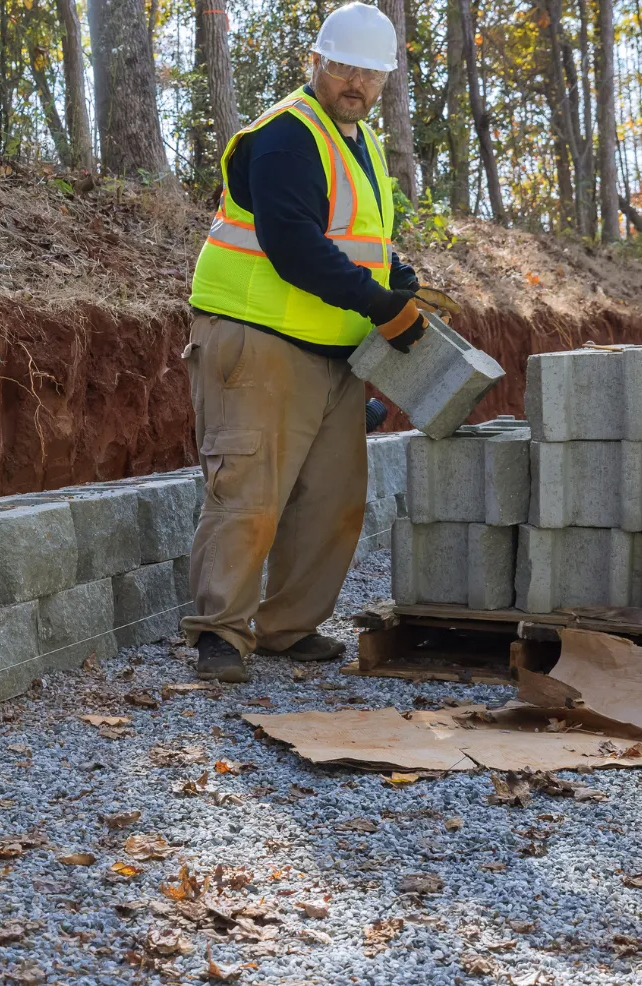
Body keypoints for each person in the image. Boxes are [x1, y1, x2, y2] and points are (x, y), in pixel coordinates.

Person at [179, 1, 425, 682]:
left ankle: (287, 629)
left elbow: (361, 240)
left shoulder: (360, 143)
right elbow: (292, 244)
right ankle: (219, 635)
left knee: (332, 501)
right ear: (314, 62)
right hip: (258, 340)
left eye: (372, 75)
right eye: (345, 67)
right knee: (250, 496)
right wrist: (381, 308)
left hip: (331, 351)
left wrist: (397, 280)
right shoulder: (287, 135)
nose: (358, 84)